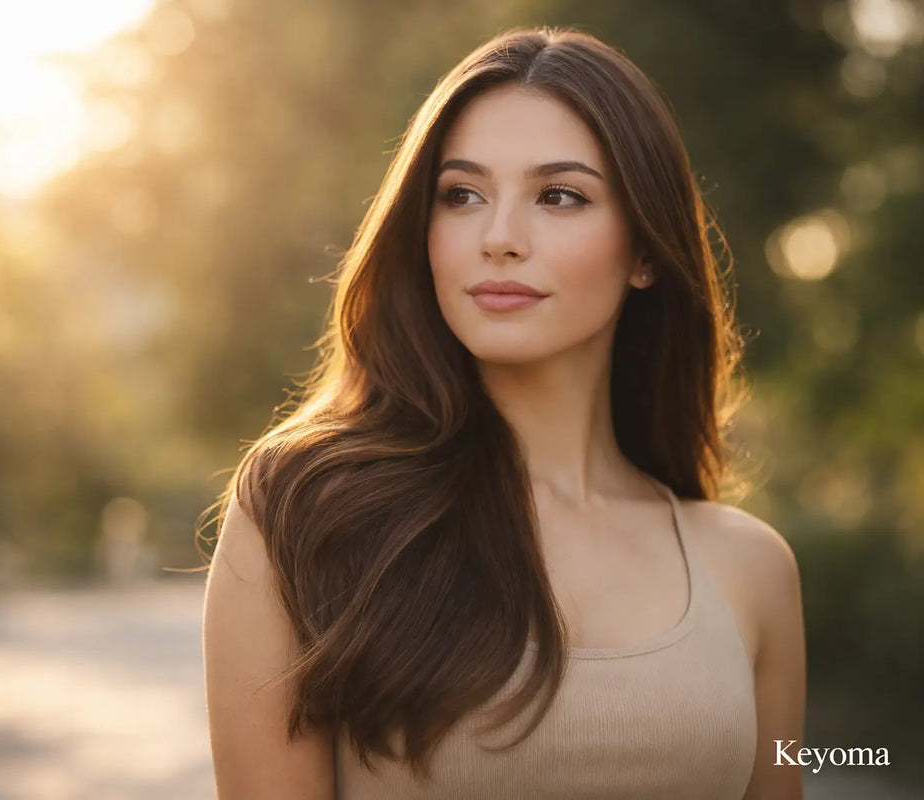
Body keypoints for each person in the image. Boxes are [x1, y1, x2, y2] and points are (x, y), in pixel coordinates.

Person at [201, 24, 806, 800]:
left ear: (647, 250)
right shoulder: (306, 508)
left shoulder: (750, 569)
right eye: (462, 195)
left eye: (559, 195)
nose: (499, 238)